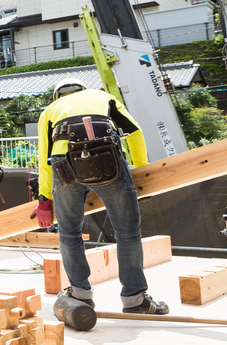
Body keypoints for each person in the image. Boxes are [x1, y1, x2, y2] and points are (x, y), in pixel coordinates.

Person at [34, 76, 169, 315]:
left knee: (69, 232)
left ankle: (80, 295)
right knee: (127, 232)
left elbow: (44, 157)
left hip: (64, 164)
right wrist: (141, 171)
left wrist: (44, 199)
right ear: (83, 89)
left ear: (58, 96)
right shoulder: (104, 97)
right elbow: (134, 132)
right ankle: (135, 299)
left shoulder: (50, 110)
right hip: (107, 158)